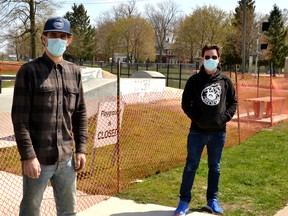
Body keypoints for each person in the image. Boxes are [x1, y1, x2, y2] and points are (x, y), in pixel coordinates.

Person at [11, 17, 88, 216]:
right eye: (53, 35)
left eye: (63, 36)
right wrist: (28, 156)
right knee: (31, 210)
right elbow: (20, 119)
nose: (58, 40)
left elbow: (80, 113)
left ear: (69, 40)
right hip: (38, 159)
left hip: (66, 159)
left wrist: (81, 149)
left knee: (69, 211)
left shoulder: (74, 72)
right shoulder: (28, 71)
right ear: (44, 38)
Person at [174, 44, 237, 216]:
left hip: (218, 134)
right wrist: (198, 119)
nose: (211, 60)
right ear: (202, 59)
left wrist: (223, 119)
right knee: (190, 166)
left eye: (214, 57)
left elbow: (233, 103)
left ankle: (212, 201)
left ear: (219, 59)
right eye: (207, 57)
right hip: (197, 132)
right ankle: (184, 202)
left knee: (214, 167)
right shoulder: (194, 81)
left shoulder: (225, 81)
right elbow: (186, 104)